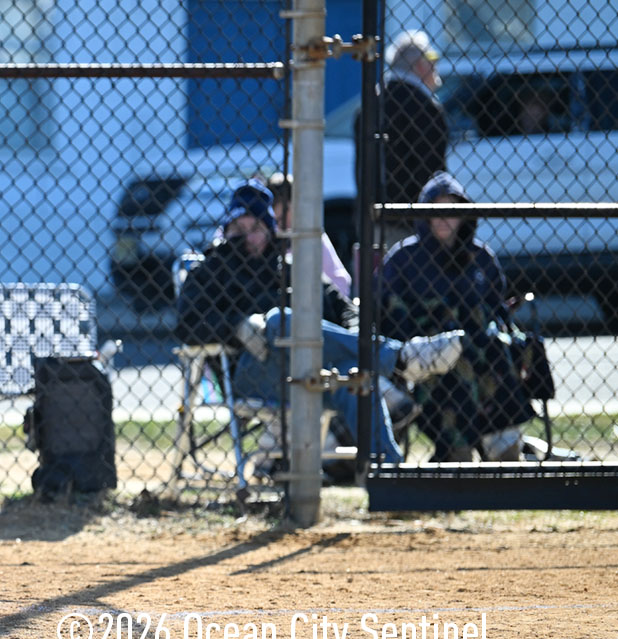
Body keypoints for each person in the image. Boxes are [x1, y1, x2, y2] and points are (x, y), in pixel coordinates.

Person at [175, 180, 464, 470]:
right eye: (239, 228)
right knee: (278, 320)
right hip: (249, 375)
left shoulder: (289, 270)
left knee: (353, 377)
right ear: (226, 230)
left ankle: (389, 471)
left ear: (270, 230)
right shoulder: (209, 271)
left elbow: (345, 310)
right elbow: (186, 325)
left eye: (256, 228)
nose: (248, 237)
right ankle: (400, 358)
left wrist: (351, 338)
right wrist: (235, 326)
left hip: (308, 372)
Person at [378, 171, 536, 463]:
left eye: (451, 210)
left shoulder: (481, 257)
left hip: (481, 355)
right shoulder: (403, 259)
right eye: (435, 210)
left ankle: (502, 444)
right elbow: (390, 322)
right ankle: (454, 446)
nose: (443, 218)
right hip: (424, 356)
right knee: (456, 359)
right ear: (424, 214)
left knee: (495, 350)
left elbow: (498, 313)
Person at [356, 29, 449, 249]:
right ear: (420, 65)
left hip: (373, 217)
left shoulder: (370, 104)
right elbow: (432, 169)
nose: (436, 65)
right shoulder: (425, 108)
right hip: (416, 221)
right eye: (432, 58)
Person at [265, 172, 351, 297]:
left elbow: (340, 281)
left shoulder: (312, 235)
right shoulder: (267, 239)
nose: (281, 223)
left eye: (286, 211)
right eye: (275, 219)